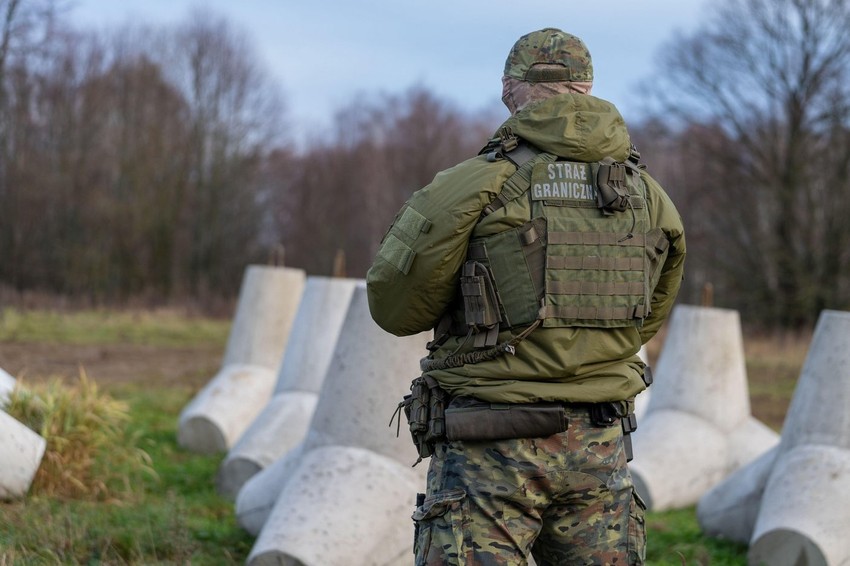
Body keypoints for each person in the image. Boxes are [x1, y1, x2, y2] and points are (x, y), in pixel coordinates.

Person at [367, 27, 685, 566]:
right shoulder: (650, 197)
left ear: (510, 91)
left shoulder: (470, 185)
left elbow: (394, 308)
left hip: (489, 447)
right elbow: (645, 320)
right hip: (600, 446)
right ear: (586, 88)